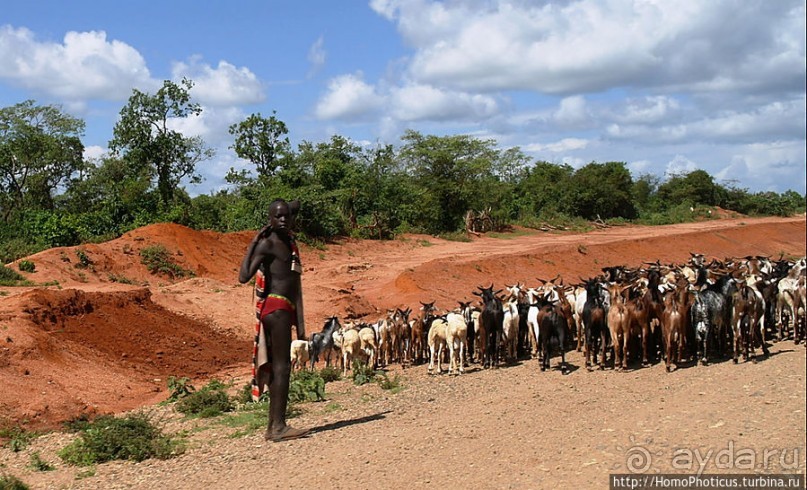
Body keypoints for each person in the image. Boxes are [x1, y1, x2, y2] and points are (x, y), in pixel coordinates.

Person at [239, 198, 309, 442]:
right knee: (282, 367)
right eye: (277, 216)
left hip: (283, 309)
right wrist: (254, 242)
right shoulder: (267, 243)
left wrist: (290, 208)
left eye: (286, 216)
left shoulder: (287, 240)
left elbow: (295, 205)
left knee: (280, 366)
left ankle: (274, 426)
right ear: (269, 219)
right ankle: (278, 426)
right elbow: (243, 276)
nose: (283, 219)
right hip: (276, 308)